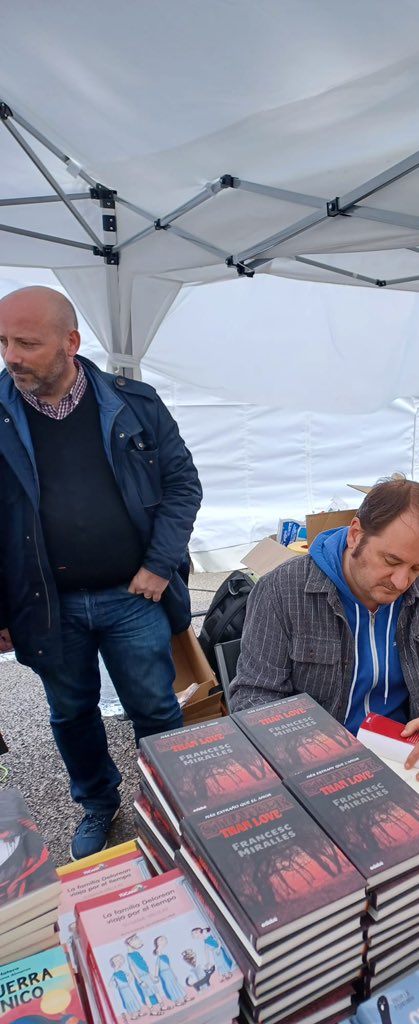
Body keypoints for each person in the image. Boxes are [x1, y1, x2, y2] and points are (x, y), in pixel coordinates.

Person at [0, 286, 202, 859]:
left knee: (156, 706)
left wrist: (160, 566)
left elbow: (183, 487)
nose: (11, 356)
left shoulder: (133, 403)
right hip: (47, 605)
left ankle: (172, 799)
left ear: (70, 342)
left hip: (132, 595)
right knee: (70, 712)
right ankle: (97, 803)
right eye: (3, 342)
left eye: (27, 343)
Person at [229, 478, 419, 782]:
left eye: (417, 567)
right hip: (316, 764)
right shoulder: (281, 592)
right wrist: (309, 751)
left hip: (407, 757)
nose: (403, 582)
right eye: (391, 561)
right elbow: (253, 698)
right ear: (355, 535)